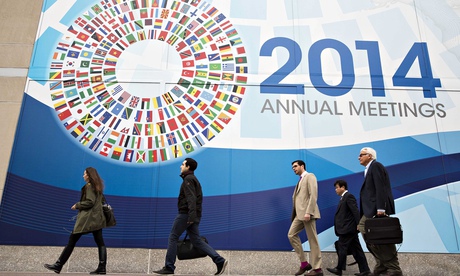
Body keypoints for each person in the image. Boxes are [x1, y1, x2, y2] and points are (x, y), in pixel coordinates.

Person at [153, 158, 228, 275]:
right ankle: (219, 260)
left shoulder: (188, 179)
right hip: (192, 214)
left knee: (173, 237)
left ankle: (169, 266)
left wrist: (191, 217)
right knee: (196, 241)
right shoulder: (192, 179)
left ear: (188, 167)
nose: (180, 166)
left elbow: (191, 199)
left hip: (186, 214)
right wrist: (193, 216)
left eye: (183, 164)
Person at [44, 167, 108, 274]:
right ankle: (102, 267)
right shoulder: (98, 187)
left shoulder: (89, 187)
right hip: (97, 219)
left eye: (84, 174)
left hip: (87, 219)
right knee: (100, 243)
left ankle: (58, 265)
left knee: (72, 240)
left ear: (89, 175)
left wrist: (77, 205)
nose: (83, 176)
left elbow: (90, 202)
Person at [357, 147, 403, 276]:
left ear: (370, 156)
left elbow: (380, 188)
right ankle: (382, 264)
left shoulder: (376, 166)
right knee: (372, 235)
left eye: (362, 155)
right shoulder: (369, 169)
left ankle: (393, 268)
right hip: (371, 209)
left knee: (381, 237)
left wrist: (381, 208)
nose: (358, 157)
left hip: (376, 209)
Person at [327, 180, 371, 276]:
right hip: (348, 229)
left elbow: (355, 211)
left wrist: (359, 224)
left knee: (341, 246)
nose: (336, 190)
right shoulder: (343, 198)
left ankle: (339, 268)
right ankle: (365, 270)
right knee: (357, 249)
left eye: (337, 187)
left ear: (343, 187)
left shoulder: (349, 197)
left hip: (348, 229)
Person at [288, 160, 323, 276]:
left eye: (295, 166)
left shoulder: (310, 176)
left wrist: (308, 212)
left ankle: (317, 269)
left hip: (308, 214)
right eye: (292, 167)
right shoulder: (300, 180)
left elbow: (313, 195)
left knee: (312, 240)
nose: (293, 168)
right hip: (299, 215)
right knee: (291, 235)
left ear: (302, 166)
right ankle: (304, 263)